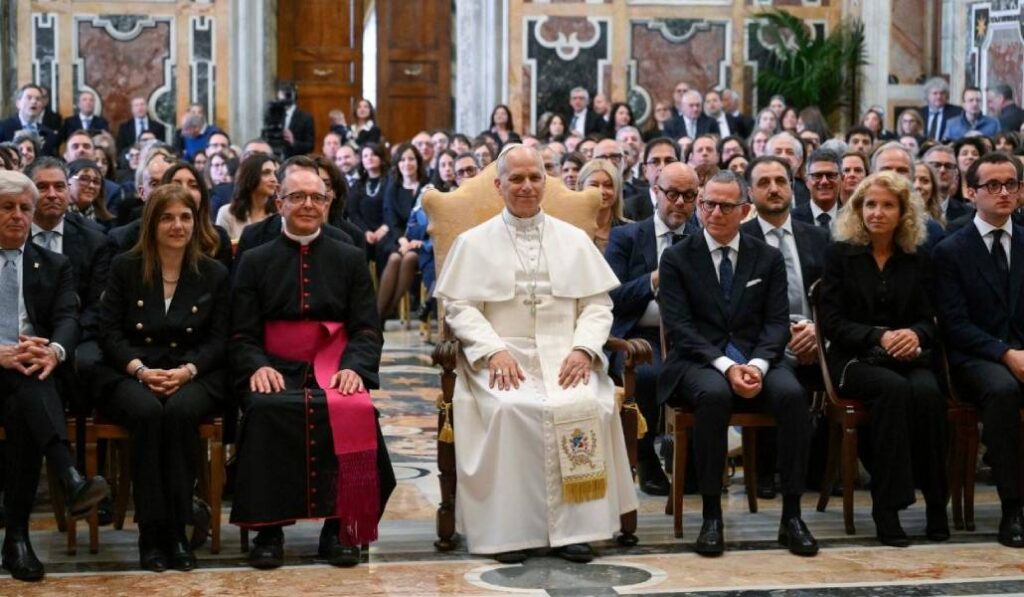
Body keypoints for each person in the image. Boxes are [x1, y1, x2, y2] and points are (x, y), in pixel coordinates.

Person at [434, 144, 637, 563]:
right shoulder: (474, 243)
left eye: (535, 178)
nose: (527, 187)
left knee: (586, 405)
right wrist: (492, 352)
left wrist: (583, 350)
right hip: (502, 360)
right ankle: (511, 533)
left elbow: (598, 305)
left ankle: (578, 531)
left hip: (566, 358)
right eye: (516, 179)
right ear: (498, 185)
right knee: (510, 410)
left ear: (545, 181)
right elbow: (460, 307)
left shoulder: (574, 240)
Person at [230, 166, 395, 568]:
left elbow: (367, 328)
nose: (308, 205)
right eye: (298, 197)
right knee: (267, 409)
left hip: (334, 365)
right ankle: (269, 531)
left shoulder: (350, 257)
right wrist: (255, 366)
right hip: (274, 365)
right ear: (279, 202)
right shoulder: (254, 260)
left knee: (354, 409)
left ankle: (339, 529)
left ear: (329, 203)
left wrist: (356, 367)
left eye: (317, 198)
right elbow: (240, 333)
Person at [657, 169, 818, 557]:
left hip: (759, 358)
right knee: (713, 397)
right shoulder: (677, 258)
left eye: (725, 206)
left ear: (744, 210)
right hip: (699, 360)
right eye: (707, 203)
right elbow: (679, 328)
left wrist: (759, 366)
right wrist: (727, 367)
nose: (714, 212)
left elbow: (778, 322)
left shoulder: (767, 257)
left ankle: (792, 516)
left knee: (793, 396)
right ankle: (712, 515)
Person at [93, 183, 229, 572]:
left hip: (194, 373)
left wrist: (187, 372)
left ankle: (178, 531)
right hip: (130, 371)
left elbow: (220, 338)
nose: (177, 225)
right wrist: (139, 370)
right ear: (152, 223)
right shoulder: (126, 267)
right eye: (167, 217)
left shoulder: (213, 273)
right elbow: (109, 333)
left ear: (196, 222)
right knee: (149, 414)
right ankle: (151, 534)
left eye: (185, 217)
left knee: (181, 413)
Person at [818, 169, 947, 546]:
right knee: (893, 391)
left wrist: (915, 334)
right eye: (870, 204)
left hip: (909, 356)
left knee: (929, 394)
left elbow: (931, 317)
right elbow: (832, 322)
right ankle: (886, 508)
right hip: (855, 359)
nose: (877, 212)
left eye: (887, 205)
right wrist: (880, 336)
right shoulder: (840, 254)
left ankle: (937, 504)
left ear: (903, 212)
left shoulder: (917, 256)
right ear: (858, 209)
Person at [0, 170, 110, 581]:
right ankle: (68, 475)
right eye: (7, 207)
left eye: (24, 209)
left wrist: (53, 351)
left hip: (29, 369)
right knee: (30, 387)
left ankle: (18, 539)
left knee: (24, 398)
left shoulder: (53, 263)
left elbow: (68, 318)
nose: (17, 216)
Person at [934, 151, 1024, 548]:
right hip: (974, 358)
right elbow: (954, 324)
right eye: (993, 185)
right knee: (1003, 391)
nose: (1003, 192)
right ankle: (1013, 508)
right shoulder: (952, 250)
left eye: (1012, 184)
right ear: (972, 192)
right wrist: (1006, 353)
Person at [605, 162, 700, 496]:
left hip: (690, 336)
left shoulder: (702, 238)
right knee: (646, 375)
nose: (680, 203)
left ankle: (693, 463)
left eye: (689, 196)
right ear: (655, 192)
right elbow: (612, 296)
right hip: (638, 335)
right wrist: (657, 277)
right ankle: (645, 458)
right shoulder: (626, 236)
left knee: (709, 378)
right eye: (672, 193)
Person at [376, 143, 428, 317]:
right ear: (397, 164)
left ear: (418, 162)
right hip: (397, 238)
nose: (407, 163)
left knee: (410, 258)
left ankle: (386, 313)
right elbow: (391, 220)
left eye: (411, 158)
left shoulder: (427, 186)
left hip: (422, 241)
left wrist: (415, 242)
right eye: (403, 159)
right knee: (394, 258)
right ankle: (378, 314)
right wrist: (403, 241)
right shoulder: (393, 187)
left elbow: (431, 218)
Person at [347, 143, 391, 270]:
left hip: (388, 229)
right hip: (364, 231)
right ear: (362, 161)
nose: (369, 158)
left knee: (383, 247)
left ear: (381, 158)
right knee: (359, 245)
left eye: (373, 154)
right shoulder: (358, 185)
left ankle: (382, 288)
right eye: (365, 156)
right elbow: (353, 213)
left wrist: (383, 229)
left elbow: (394, 210)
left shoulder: (391, 181)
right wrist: (366, 232)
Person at [216, 153, 278, 241]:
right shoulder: (226, 213)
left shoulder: (279, 213)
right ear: (250, 176)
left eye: (274, 173)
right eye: (266, 173)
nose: (274, 179)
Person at [577, 158, 626, 252]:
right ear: (580, 186)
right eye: (594, 185)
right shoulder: (569, 229)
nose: (601, 191)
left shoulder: (631, 231)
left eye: (608, 185)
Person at [0, 84, 58, 156]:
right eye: (29, 98)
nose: (34, 101)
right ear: (18, 103)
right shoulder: (3, 127)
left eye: (38, 99)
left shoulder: (49, 133)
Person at [792, 148, 841, 232]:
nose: (824, 181)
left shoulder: (853, 217)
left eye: (831, 175)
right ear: (807, 181)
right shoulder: (792, 219)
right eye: (817, 175)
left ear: (841, 179)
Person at [924, 145, 972, 223]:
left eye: (948, 166)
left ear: (955, 172)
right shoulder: (909, 209)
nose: (942, 170)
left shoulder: (968, 214)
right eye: (936, 165)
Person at [914, 160, 944, 226]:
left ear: (933, 188)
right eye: (912, 180)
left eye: (925, 181)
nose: (917, 186)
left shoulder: (939, 223)